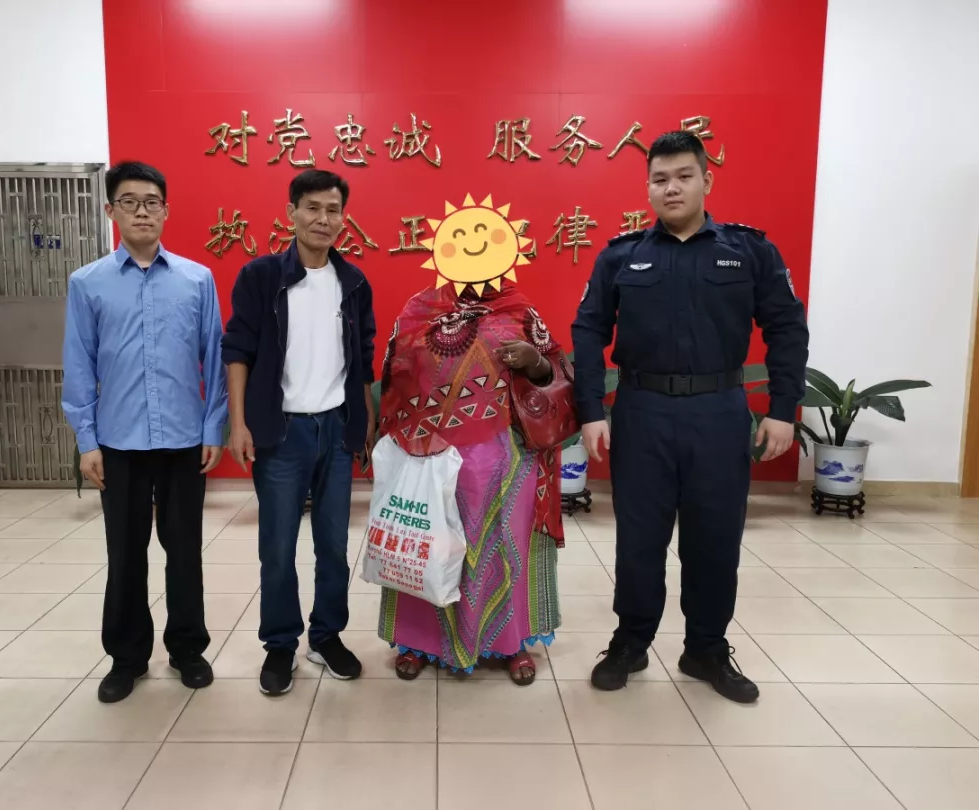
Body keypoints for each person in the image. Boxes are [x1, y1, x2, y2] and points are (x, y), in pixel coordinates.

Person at [571, 131, 808, 703]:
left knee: (714, 539)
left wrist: (782, 410)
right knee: (639, 540)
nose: (671, 188)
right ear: (648, 187)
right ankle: (630, 642)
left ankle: (705, 648)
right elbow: (588, 330)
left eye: (683, 176)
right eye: (660, 179)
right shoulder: (621, 255)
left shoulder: (749, 251)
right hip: (642, 411)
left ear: (706, 180)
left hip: (719, 410)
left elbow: (786, 328)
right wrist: (591, 411)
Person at [376, 196, 566, 684]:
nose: (471, 247)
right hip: (429, 453)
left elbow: (555, 372)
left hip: (506, 456)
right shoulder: (418, 309)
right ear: (441, 248)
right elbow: (394, 372)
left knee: (504, 547)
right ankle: (418, 642)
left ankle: (509, 644)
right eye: (458, 237)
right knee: (427, 541)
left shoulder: (520, 310)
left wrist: (534, 361)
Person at [62, 161, 227, 704]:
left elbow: (214, 359)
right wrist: (87, 440)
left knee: (185, 552)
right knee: (126, 553)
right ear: (111, 210)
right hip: (119, 443)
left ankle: (187, 649)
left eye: (151, 201)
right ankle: (127, 658)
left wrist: (213, 427)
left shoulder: (196, 279)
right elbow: (79, 364)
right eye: (129, 202)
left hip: (183, 441)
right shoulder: (87, 283)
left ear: (166, 210)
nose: (141, 211)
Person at [222, 169, 376, 697]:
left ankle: (326, 636)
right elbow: (237, 351)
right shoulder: (261, 276)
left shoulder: (353, 282)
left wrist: (365, 421)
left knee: (333, 545)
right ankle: (281, 644)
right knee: (278, 546)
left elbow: (363, 360)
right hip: (281, 433)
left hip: (335, 429)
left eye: (333, 210)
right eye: (312, 208)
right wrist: (239, 422)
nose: (323, 219)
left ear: (343, 217)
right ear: (291, 213)